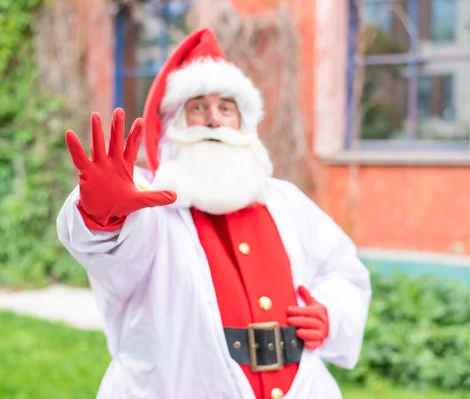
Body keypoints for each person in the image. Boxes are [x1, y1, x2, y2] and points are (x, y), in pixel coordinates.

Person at [57, 28, 371, 399]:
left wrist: (331, 314)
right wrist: (101, 215)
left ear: (244, 124)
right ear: (175, 123)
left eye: (226, 108)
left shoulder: (285, 201)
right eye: (198, 108)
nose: (214, 120)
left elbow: (341, 268)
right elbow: (112, 253)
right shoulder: (152, 207)